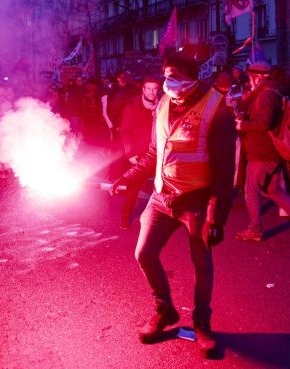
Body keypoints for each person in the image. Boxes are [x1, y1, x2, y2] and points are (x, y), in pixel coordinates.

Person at [110, 52, 236, 358]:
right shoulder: (163, 104)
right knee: (144, 253)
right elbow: (156, 151)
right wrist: (127, 176)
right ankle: (164, 310)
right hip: (161, 197)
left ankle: (202, 323)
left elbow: (223, 171)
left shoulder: (217, 109)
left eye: (175, 77)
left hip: (196, 202)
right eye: (166, 76)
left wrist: (215, 216)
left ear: (192, 78)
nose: (169, 83)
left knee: (202, 265)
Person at [234, 61, 290, 243]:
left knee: (251, 191)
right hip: (271, 151)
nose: (249, 81)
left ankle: (255, 229)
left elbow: (265, 123)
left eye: (250, 77)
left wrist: (242, 125)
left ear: (257, 77)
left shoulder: (266, 95)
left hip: (262, 152)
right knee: (274, 190)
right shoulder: (271, 92)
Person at [117, 75, 160, 229]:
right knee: (133, 186)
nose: (151, 92)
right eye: (148, 88)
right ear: (143, 89)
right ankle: (125, 215)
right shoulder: (133, 106)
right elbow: (125, 131)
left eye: (154, 88)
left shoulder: (162, 105)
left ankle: (157, 218)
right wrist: (130, 153)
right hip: (139, 153)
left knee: (160, 185)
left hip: (158, 151)